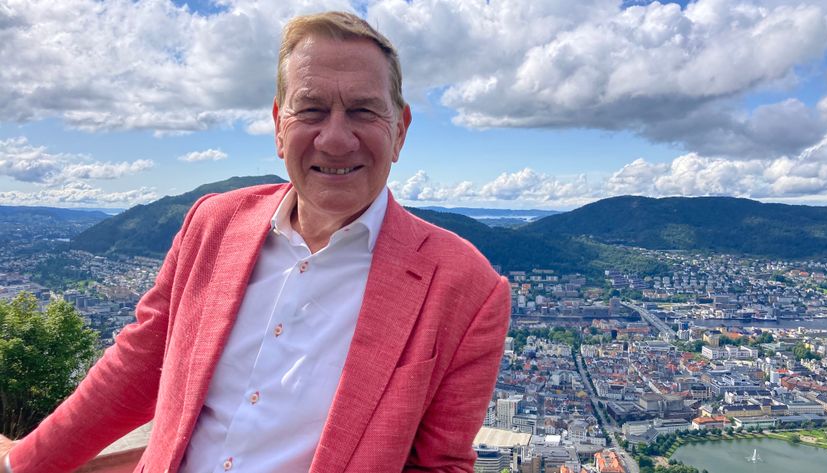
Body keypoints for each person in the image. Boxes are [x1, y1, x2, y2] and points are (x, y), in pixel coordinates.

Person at [1, 11, 510, 473]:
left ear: (399, 130)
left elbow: (439, 465)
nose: (335, 139)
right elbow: (135, 370)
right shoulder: (212, 224)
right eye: (311, 110)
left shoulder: (465, 287)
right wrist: (22, 464)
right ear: (277, 126)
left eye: (363, 111)